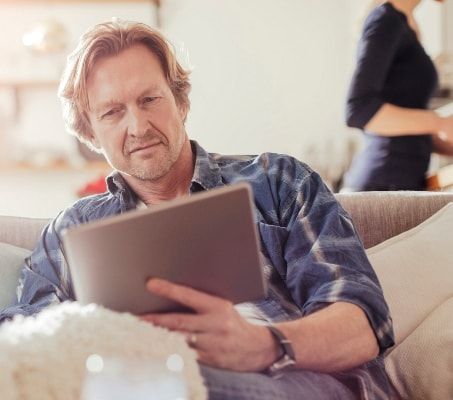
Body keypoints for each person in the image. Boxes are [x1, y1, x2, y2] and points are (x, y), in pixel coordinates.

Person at [0, 21, 396, 399]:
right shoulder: (71, 232)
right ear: (90, 133)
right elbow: (26, 350)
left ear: (181, 101)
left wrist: (261, 345)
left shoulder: (278, 181)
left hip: (292, 378)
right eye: (112, 112)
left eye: (149, 100)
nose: (138, 127)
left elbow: (363, 323)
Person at [343, 0, 453, 192]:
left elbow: (407, 131)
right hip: (381, 187)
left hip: (402, 182)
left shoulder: (402, 24)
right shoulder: (386, 20)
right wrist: (439, 122)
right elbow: (358, 109)